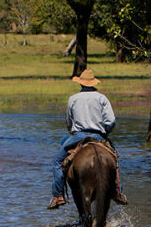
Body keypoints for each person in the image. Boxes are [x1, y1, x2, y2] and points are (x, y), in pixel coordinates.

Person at [47, 69, 128, 209]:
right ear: (94, 83)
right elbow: (111, 120)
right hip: (98, 135)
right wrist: (105, 133)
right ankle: (116, 191)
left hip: (77, 135)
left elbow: (69, 121)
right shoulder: (102, 98)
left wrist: (71, 130)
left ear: (81, 84)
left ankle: (58, 196)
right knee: (114, 158)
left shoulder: (73, 98)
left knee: (57, 161)